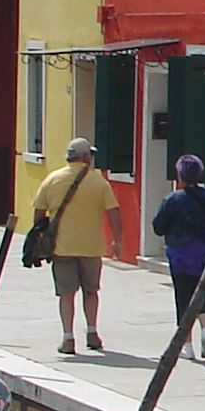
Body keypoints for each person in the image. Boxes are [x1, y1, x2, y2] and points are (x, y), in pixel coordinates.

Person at [32, 136, 123, 355]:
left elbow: (38, 213)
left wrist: (44, 234)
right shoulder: (99, 182)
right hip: (92, 247)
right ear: (85, 158)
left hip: (62, 247)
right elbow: (114, 213)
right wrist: (118, 241)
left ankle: (68, 338)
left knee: (66, 293)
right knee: (91, 291)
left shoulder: (52, 179)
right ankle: (92, 332)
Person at [151, 153, 205, 359]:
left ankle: (187, 347)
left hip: (180, 256)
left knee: (183, 296)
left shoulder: (172, 200)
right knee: (204, 293)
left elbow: (158, 227)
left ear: (180, 176)